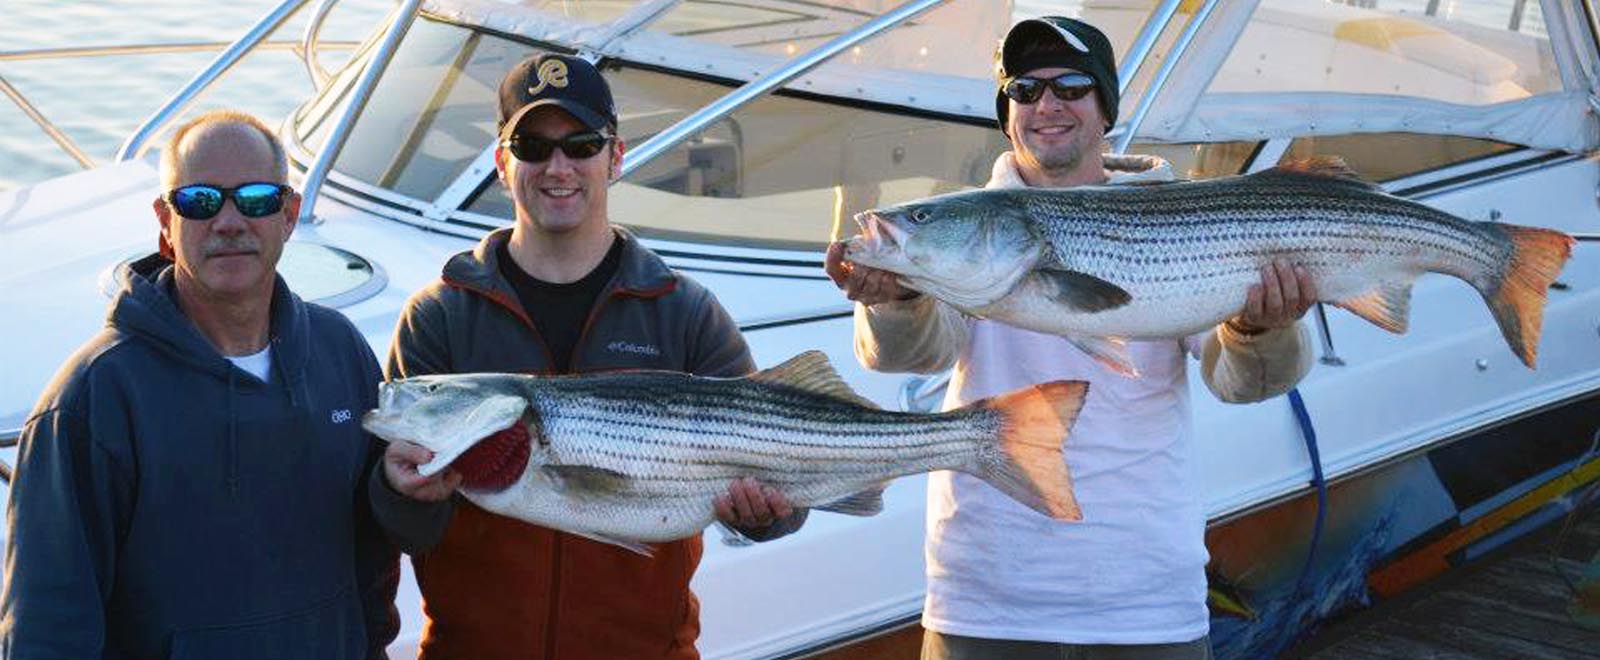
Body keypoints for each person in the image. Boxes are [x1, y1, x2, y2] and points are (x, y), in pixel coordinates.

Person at [824, 17, 1317, 660]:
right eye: (1025, 90)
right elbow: (912, 356)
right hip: (984, 597)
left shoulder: (1182, 216)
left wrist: (1259, 327)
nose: (1047, 105)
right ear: (1007, 117)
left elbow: (1242, 384)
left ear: (1105, 108)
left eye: (1072, 86)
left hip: (1146, 602)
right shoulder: (969, 226)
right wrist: (897, 298)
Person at [370, 53, 807, 659]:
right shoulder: (440, 316)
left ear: (615, 157)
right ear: (502, 163)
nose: (558, 167)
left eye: (581, 145)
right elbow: (399, 529)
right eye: (532, 146)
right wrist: (400, 492)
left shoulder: (683, 311)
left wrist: (765, 515)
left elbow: (784, 494)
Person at [0, 110, 400, 659]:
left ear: (288, 215)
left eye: (256, 199)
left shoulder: (341, 351)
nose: (229, 221)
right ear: (166, 222)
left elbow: (372, 561)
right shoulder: (95, 396)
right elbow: (47, 628)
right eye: (200, 201)